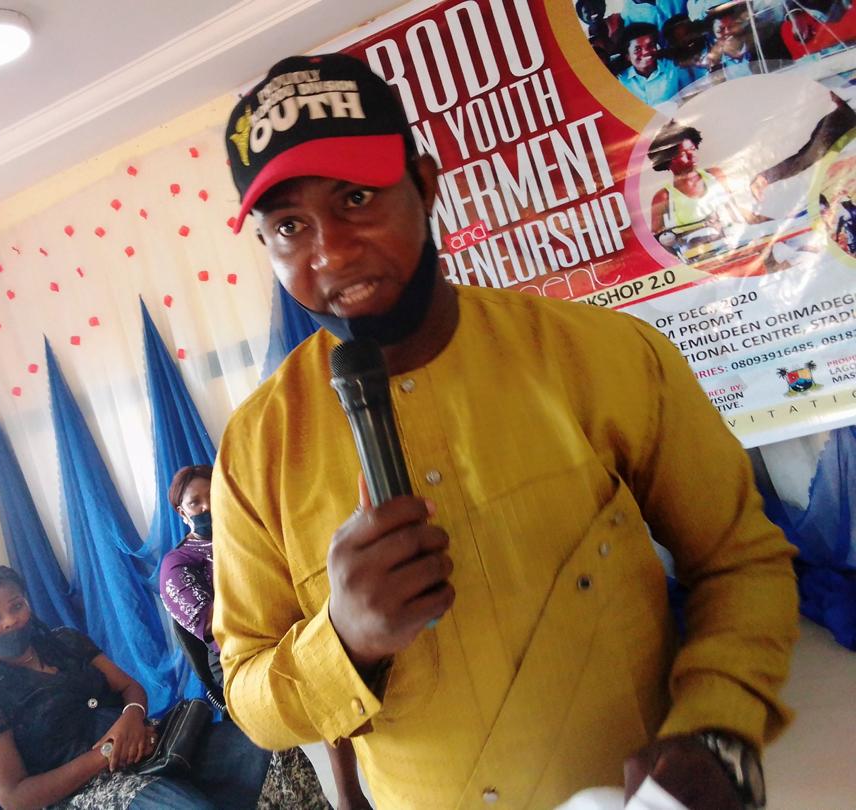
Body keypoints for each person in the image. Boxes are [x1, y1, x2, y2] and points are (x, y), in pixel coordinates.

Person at [212, 53, 798, 809]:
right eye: (290, 226)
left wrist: (715, 729)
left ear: (424, 184)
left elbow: (739, 560)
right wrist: (344, 641)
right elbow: (249, 696)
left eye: (356, 197)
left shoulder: (601, 354)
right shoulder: (255, 451)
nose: (330, 250)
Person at [0, 565, 271, 809]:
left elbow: (130, 688)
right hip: (84, 792)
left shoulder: (66, 642)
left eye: (16, 606)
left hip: (146, 745)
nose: (10, 621)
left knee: (267, 751)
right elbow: (14, 798)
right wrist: (105, 754)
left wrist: (131, 717)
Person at [160, 464, 371, 810]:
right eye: (195, 502)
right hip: (236, 656)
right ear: (182, 514)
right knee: (315, 660)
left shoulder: (248, 533)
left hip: (283, 630)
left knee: (335, 630)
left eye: (212, 494)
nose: (207, 505)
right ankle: (350, 795)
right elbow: (211, 623)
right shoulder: (177, 565)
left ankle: (360, 777)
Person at [649, 122, 771, 250]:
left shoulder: (715, 175)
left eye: (692, 149)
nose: (692, 155)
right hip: (696, 254)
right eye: (684, 153)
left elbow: (735, 210)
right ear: (669, 160)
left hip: (735, 245)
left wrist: (769, 223)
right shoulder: (663, 197)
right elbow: (659, 241)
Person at [616, 23, 699, 106]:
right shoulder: (621, 81)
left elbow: (692, 95)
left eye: (650, 45)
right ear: (628, 56)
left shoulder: (674, 67)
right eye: (637, 49)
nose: (646, 52)